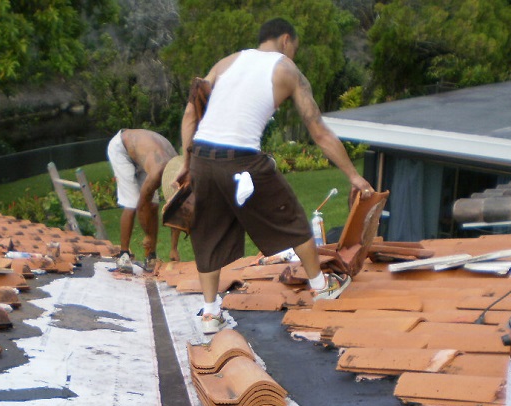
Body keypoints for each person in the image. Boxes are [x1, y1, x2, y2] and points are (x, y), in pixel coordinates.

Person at [178, 17, 375, 334]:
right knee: (293, 218)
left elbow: (191, 113)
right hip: (241, 161)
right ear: (286, 40)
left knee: (207, 232)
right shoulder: (287, 70)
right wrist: (353, 175)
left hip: (202, 156)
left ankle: (211, 313)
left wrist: (186, 163)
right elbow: (319, 133)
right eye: (294, 47)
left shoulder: (226, 63)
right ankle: (321, 288)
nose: (293, 54)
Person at [106, 129, 183, 269]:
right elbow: (142, 204)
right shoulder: (157, 172)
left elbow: (175, 208)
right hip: (122, 148)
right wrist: (148, 235)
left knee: (154, 205)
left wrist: (174, 248)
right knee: (131, 203)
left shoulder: (180, 172)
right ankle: (124, 255)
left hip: (144, 155)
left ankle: (151, 256)